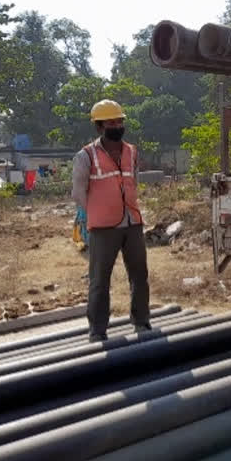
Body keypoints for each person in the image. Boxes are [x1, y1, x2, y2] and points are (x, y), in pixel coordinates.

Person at [72, 99, 152, 342]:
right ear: (99, 127)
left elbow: (132, 182)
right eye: (111, 122)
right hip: (104, 228)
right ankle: (97, 330)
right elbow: (78, 192)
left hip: (132, 222)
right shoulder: (86, 155)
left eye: (119, 121)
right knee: (99, 280)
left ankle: (141, 322)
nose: (117, 125)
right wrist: (93, 214)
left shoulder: (132, 151)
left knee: (140, 275)